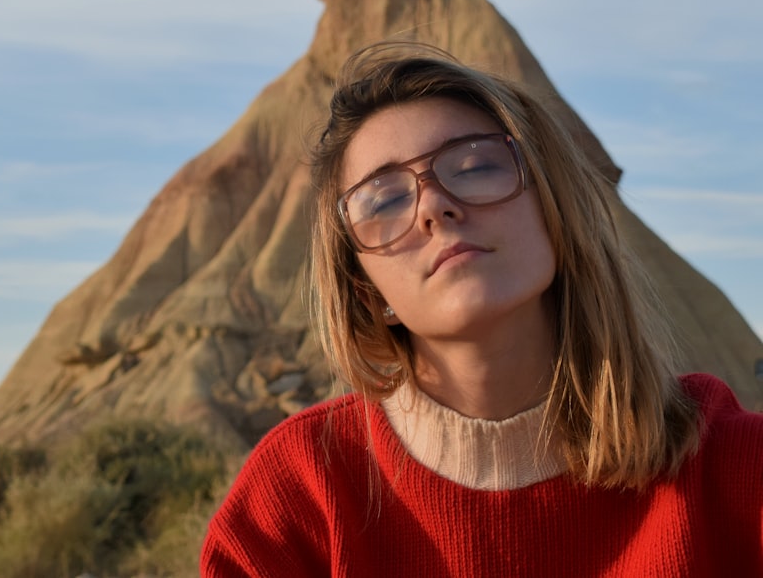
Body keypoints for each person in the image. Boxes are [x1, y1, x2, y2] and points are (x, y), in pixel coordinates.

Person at [200, 41, 763, 576]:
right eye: (386, 199)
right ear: (368, 291)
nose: (435, 206)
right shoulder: (298, 498)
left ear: (555, 209)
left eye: (474, 166)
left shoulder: (730, 468)